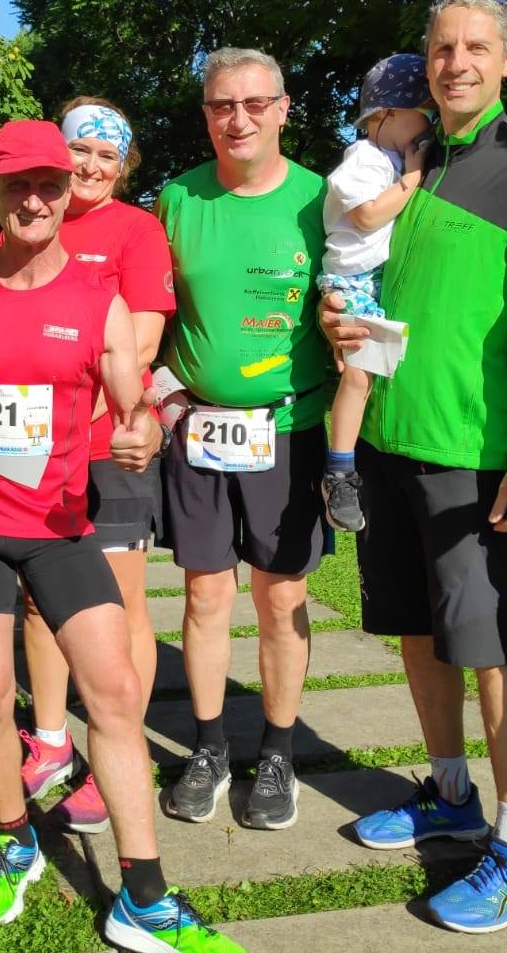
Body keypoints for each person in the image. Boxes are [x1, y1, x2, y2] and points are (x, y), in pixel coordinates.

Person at [0, 120, 242, 951]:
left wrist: (143, 432)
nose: (34, 199)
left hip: (62, 527)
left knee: (111, 693)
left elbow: (131, 404)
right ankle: (15, 839)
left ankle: (143, 894)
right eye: (16, 185)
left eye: (49, 185)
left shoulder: (96, 299)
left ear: (69, 194)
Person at [322, 0, 507, 933]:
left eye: (475, 48)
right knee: (419, 636)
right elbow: (377, 280)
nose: (456, 63)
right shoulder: (406, 160)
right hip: (384, 438)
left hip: (469, 453)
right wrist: (338, 315)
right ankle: (453, 795)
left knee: (488, 645)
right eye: (441, 48)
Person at [158, 47, 332, 833]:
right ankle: (206, 748)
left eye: (255, 103)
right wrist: (162, 395)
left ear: (284, 108)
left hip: (287, 429)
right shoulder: (178, 199)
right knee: (202, 594)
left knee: (282, 596)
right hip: (198, 427)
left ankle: (279, 753)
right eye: (223, 105)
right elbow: (149, 312)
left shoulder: (321, 202)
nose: (239, 118)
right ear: (206, 115)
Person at [17, 97, 176, 834]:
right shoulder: (31, 216)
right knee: (36, 599)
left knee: (115, 607)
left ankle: (121, 747)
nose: (88, 167)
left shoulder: (137, 231)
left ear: (123, 167)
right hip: (29, 446)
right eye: (79, 151)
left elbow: (139, 346)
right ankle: (50, 742)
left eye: (106, 158)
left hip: (109, 444)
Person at [317, 55, 434, 532]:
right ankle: (339, 469)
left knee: (378, 373)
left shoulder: (387, 157)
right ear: (384, 116)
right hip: (354, 279)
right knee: (360, 376)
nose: (426, 130)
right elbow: (366, 215)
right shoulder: (363, 158)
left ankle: (356, 459)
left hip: (374, 277)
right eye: (419, 118)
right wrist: (411, 177)